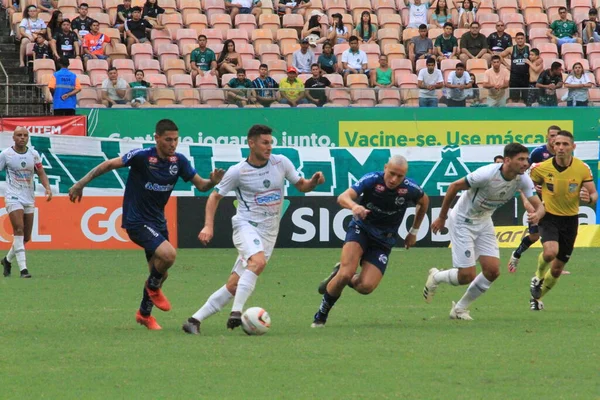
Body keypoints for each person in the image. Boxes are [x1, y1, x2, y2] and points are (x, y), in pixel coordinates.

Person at [68, 119, 225, 330]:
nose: (173, 144)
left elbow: (202, 186)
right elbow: (108, 164)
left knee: (161, 271)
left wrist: (212, 181)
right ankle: (153, 288)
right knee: (169, 255)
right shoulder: (142, 156)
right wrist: (80, 184)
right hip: (136, 221)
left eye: (176, 140)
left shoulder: (179, 161)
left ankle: (144, 314)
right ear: (157, 138)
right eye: (168, 140)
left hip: (157, 222)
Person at [182, 124, 325, 334]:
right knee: (257, 262)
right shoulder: (238, 171)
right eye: (265, 143)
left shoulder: (281, 162)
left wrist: (313, 182)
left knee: (234, 285)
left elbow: (301, 185)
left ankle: (194, 321)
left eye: (271, 143)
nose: (269, 147)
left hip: (269, 232)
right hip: (246, 226)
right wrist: (208, 226)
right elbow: (214, 196)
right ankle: (237, 312)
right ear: (252, 143)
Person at [424, 143, 545, 320]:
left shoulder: (523, 179)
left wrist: (538, 215)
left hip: (484, 221)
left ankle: (459, 309)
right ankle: (436, 276)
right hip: (462, 221)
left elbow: (539, 206)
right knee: (466, 275)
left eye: (526, 159)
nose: (525, 163)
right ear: (507, 160)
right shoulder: (487, 174)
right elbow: (454, 186)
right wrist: (442, 217)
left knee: (492, 271)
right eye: (520, 159)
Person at [311, 155, 429, 327]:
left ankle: (339, 276)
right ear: (385, 167)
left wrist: (414, 231)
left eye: (400, 176)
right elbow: (343, 197)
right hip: (361, 230)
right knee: (346, 273)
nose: (394, 179)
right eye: (392, 173)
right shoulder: (373, 179)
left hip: (384, 240)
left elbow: (424, 202)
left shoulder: (410, 188)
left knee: (366, 287)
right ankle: (321, 316)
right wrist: (355, 206)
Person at [528, 130, 597, 311]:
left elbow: (594, 194)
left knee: (558, 269)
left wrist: (588, 198)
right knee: (550, 252)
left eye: (565, 144)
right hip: (549, 216)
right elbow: (525, 188)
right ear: (552, 146)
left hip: (570, 221)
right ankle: (537, 277)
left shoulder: (582, 168)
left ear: (573, 147)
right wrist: (534, 207)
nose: (560, 148)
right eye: (557, 144)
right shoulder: (540, 168)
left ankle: (537, 298)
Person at [1, 127, 52, 279]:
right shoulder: (6, 154)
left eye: (25, 135)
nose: (22, 138)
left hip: (29, 197)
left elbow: (41, 172)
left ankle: (7, 260)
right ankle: (23, 270)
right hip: (13, 196)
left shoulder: (33, 154)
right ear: (13, 137)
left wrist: (47, 188)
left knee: (26, 237)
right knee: (18, 228)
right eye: (19, 135)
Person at [507, 125, 561, 272]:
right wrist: (526, 199)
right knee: (534, 236)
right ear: (547, 137)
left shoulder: (564, 155)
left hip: (554, 201)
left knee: (557, 233)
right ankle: (516, 254)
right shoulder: (538, 153)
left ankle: (557, 266)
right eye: (552, 136)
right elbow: (523, 176)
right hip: (536, 199)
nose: (554, 139)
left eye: (557, 136)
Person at [500, 32, 531, 105]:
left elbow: (537, 58)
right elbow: (500, 56)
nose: (520, 40)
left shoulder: (529, 49)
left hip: (525, 75)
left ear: (524, 40)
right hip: (514, 76)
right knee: (514, 98)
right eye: (518, 39)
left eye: (522, 38)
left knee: (525, 98)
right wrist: (507, 65)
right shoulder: (510, 49)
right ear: (515, 40)